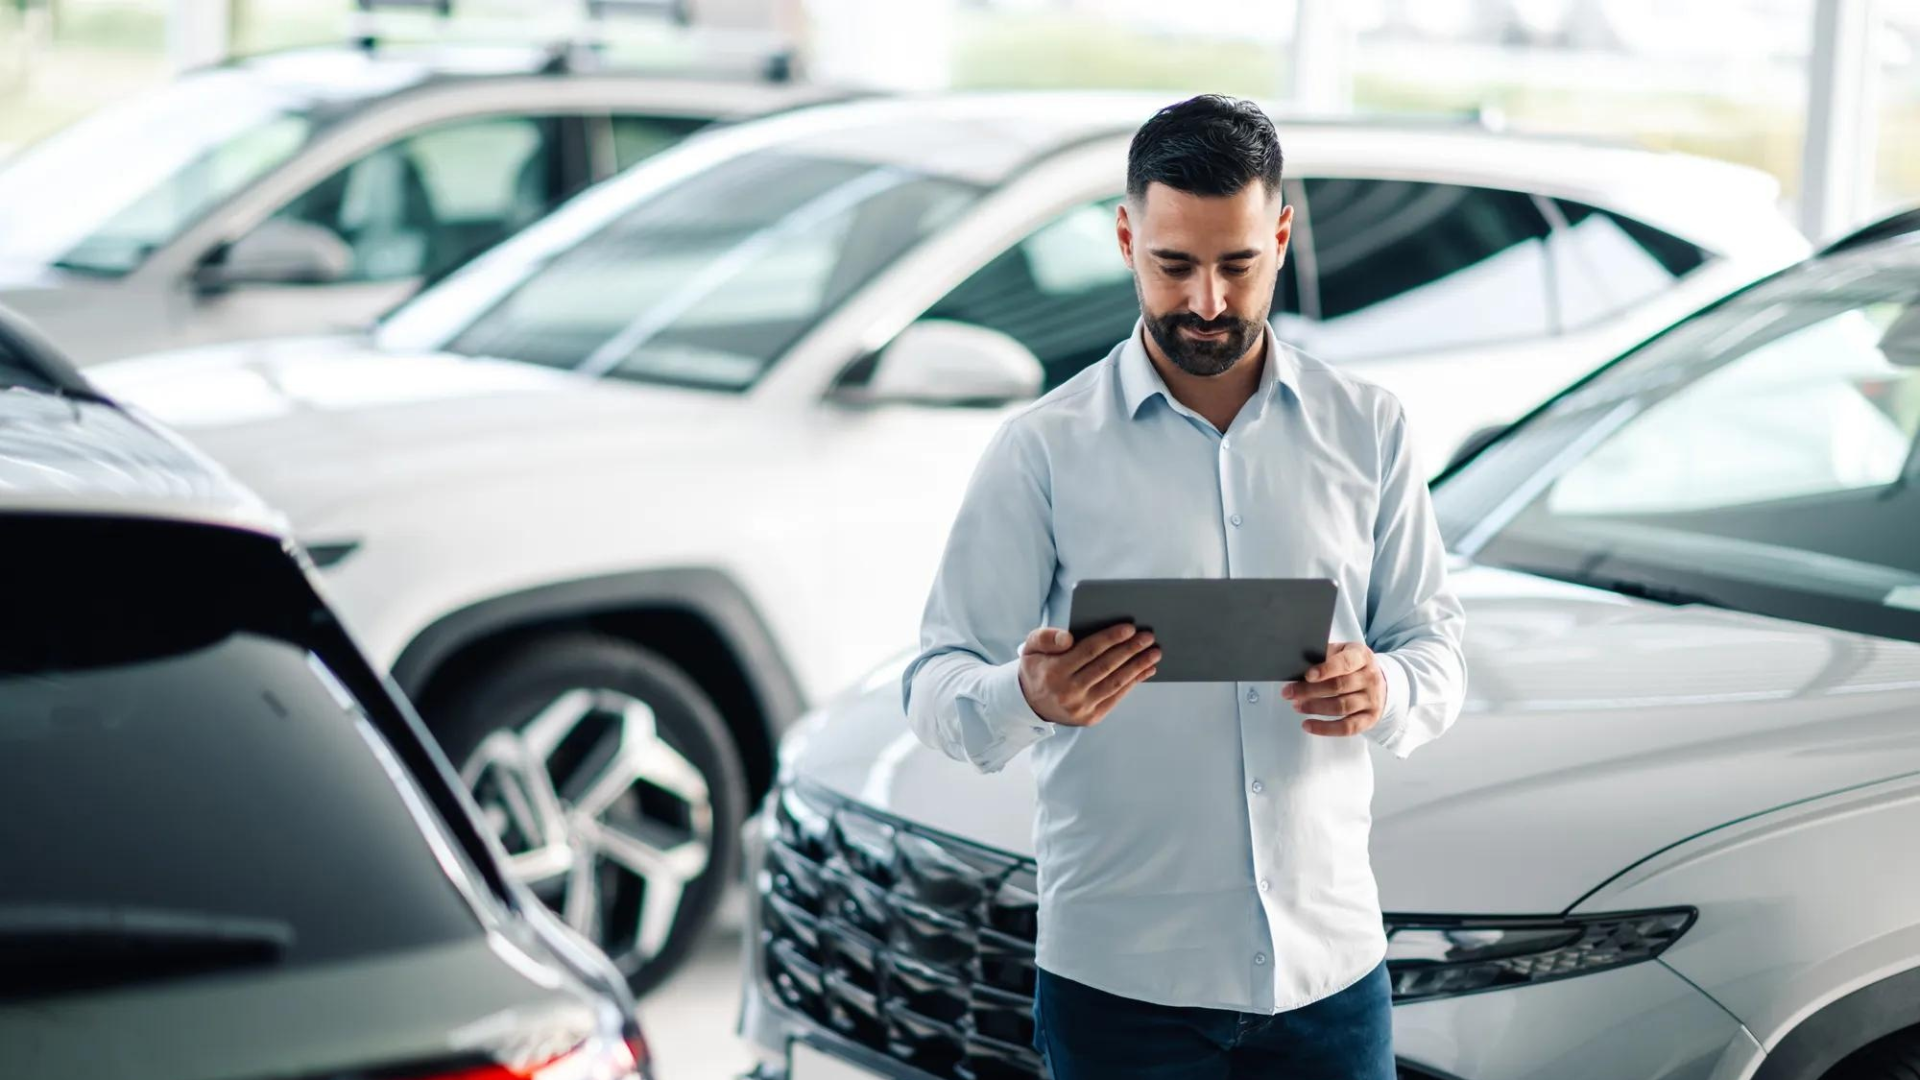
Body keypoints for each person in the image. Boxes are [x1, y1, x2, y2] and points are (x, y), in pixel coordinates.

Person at [902, 94, 1469, 1080]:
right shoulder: (1043, 450)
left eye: (1237, 265)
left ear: (1281, 235)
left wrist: (1390, 688)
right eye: (1174, 265)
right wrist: (1025, 696)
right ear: (1127, 237)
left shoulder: (1369, 428)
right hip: (1122, 996)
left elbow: (1435, 644)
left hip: (1328, 984)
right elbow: (935, 682)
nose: (1206, 301)